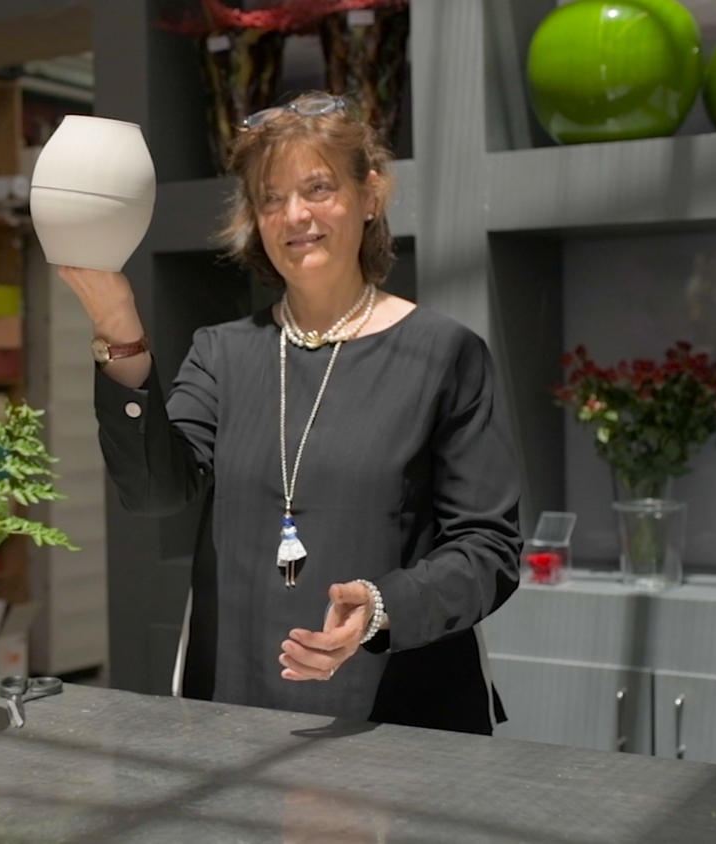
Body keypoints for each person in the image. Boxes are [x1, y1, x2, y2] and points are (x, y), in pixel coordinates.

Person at [57, 91, 523, 735]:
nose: (294, 215)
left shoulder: (446, 355)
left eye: (318, 187)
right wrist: (119, 326)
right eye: (270, 198)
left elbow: (488, 549)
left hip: (401, 715)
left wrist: (384, 607)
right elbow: (153, 492)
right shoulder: (222, 353)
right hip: (234, 705)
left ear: (371, 194)